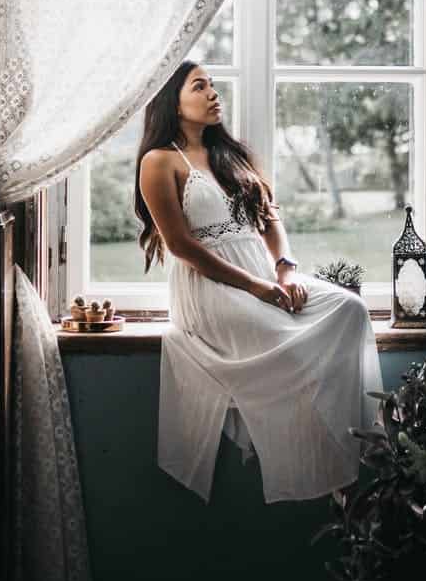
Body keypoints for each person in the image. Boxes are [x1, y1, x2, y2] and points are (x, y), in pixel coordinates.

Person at [135, 59, 383, 503]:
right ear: (172, 101)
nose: (213, 94)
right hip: (208, 288)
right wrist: (257, 288)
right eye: (199, 87)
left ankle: (357, 445)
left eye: (213, 86)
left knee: (350, 309)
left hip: (263, 272)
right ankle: (331, 477)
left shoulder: (233, 154)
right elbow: (182, 247)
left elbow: (269, 220)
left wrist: (284, 269)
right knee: (286, 340)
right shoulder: (160, 162)